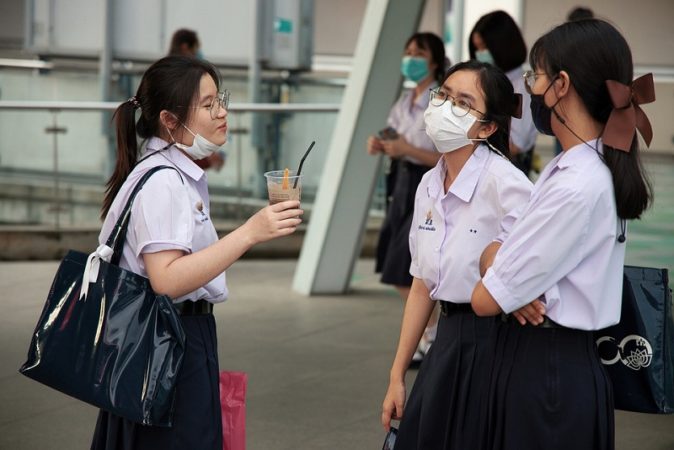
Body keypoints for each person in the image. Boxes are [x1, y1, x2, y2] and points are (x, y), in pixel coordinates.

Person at [90, 56, 303, 450]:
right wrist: (249, 233)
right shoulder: (165, 182)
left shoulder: (166, 170)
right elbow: (167, 279)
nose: (222, 112)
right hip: (169, 339)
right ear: (170, 121)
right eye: (207, 105)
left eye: (219, 99)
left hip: (166, 337)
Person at [471, 19, 654, 450]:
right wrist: (500, 265)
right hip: (557, 365)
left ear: (562, 85)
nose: (531, 89)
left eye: (535, 77)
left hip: (546, 371)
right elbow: (496, 260)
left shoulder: (575, 185)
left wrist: (500, 270)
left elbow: (485, 299)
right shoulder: (584, 166)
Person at [381, 60, 533, 450]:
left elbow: (532, 271)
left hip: (499, 343)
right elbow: (421, 286)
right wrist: (397, 374)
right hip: (446, 339)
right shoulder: (430, 184)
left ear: (487, 128)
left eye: (463, 103)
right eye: (443, 95)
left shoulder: (506, 184)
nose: (445, 107)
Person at [367, 32, 446, 361]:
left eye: (419, 52)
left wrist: (406, 149)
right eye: (408, 51)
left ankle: (431, 333)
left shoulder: (439, 98)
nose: (411, 58)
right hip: (401, 184)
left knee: (407, 261)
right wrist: (381, 144)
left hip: (424, 182)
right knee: (394, 260)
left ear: (434, 61)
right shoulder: (405, 99)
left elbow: (444, 156)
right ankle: (430, 332)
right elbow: (393, 134)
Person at [469, 11, 538, 177]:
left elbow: (516, 145)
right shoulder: (486, 83)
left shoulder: (521, 88)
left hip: (505, 171)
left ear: (503, 45)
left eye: (484, 47)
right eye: (476, 48)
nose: (480, 53)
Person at [168, 28, 225, 171]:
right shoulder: (180, 77)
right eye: (207, 105)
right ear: (185, 47)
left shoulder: (167, 71)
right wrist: (208, 155)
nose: (222, 113)